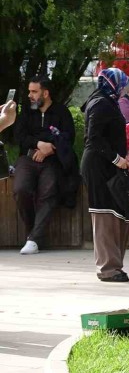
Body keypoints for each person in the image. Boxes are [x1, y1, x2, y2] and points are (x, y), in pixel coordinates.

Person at [13, 76, 75, 255]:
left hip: (52, 159)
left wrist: (49, 148)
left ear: (45, 93)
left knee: (49, 191)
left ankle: (33, 239)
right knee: (21, 190)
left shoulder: (61, 112)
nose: (30, 95)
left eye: (34, 91)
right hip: (28, 157)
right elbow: (19, 136)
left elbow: (68, 137)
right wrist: (38, 144)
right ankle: (34, 233)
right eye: (29, 91)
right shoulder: (26, 111)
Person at [80, 68, 129, 282]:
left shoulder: (106, 100)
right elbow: (94, 139)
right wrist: (116, 159)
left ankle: (114, 265)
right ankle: (108, 269)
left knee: (116, 213)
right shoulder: (101, 103)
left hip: (109, 166)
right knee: (104, 214)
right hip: (99, 167)